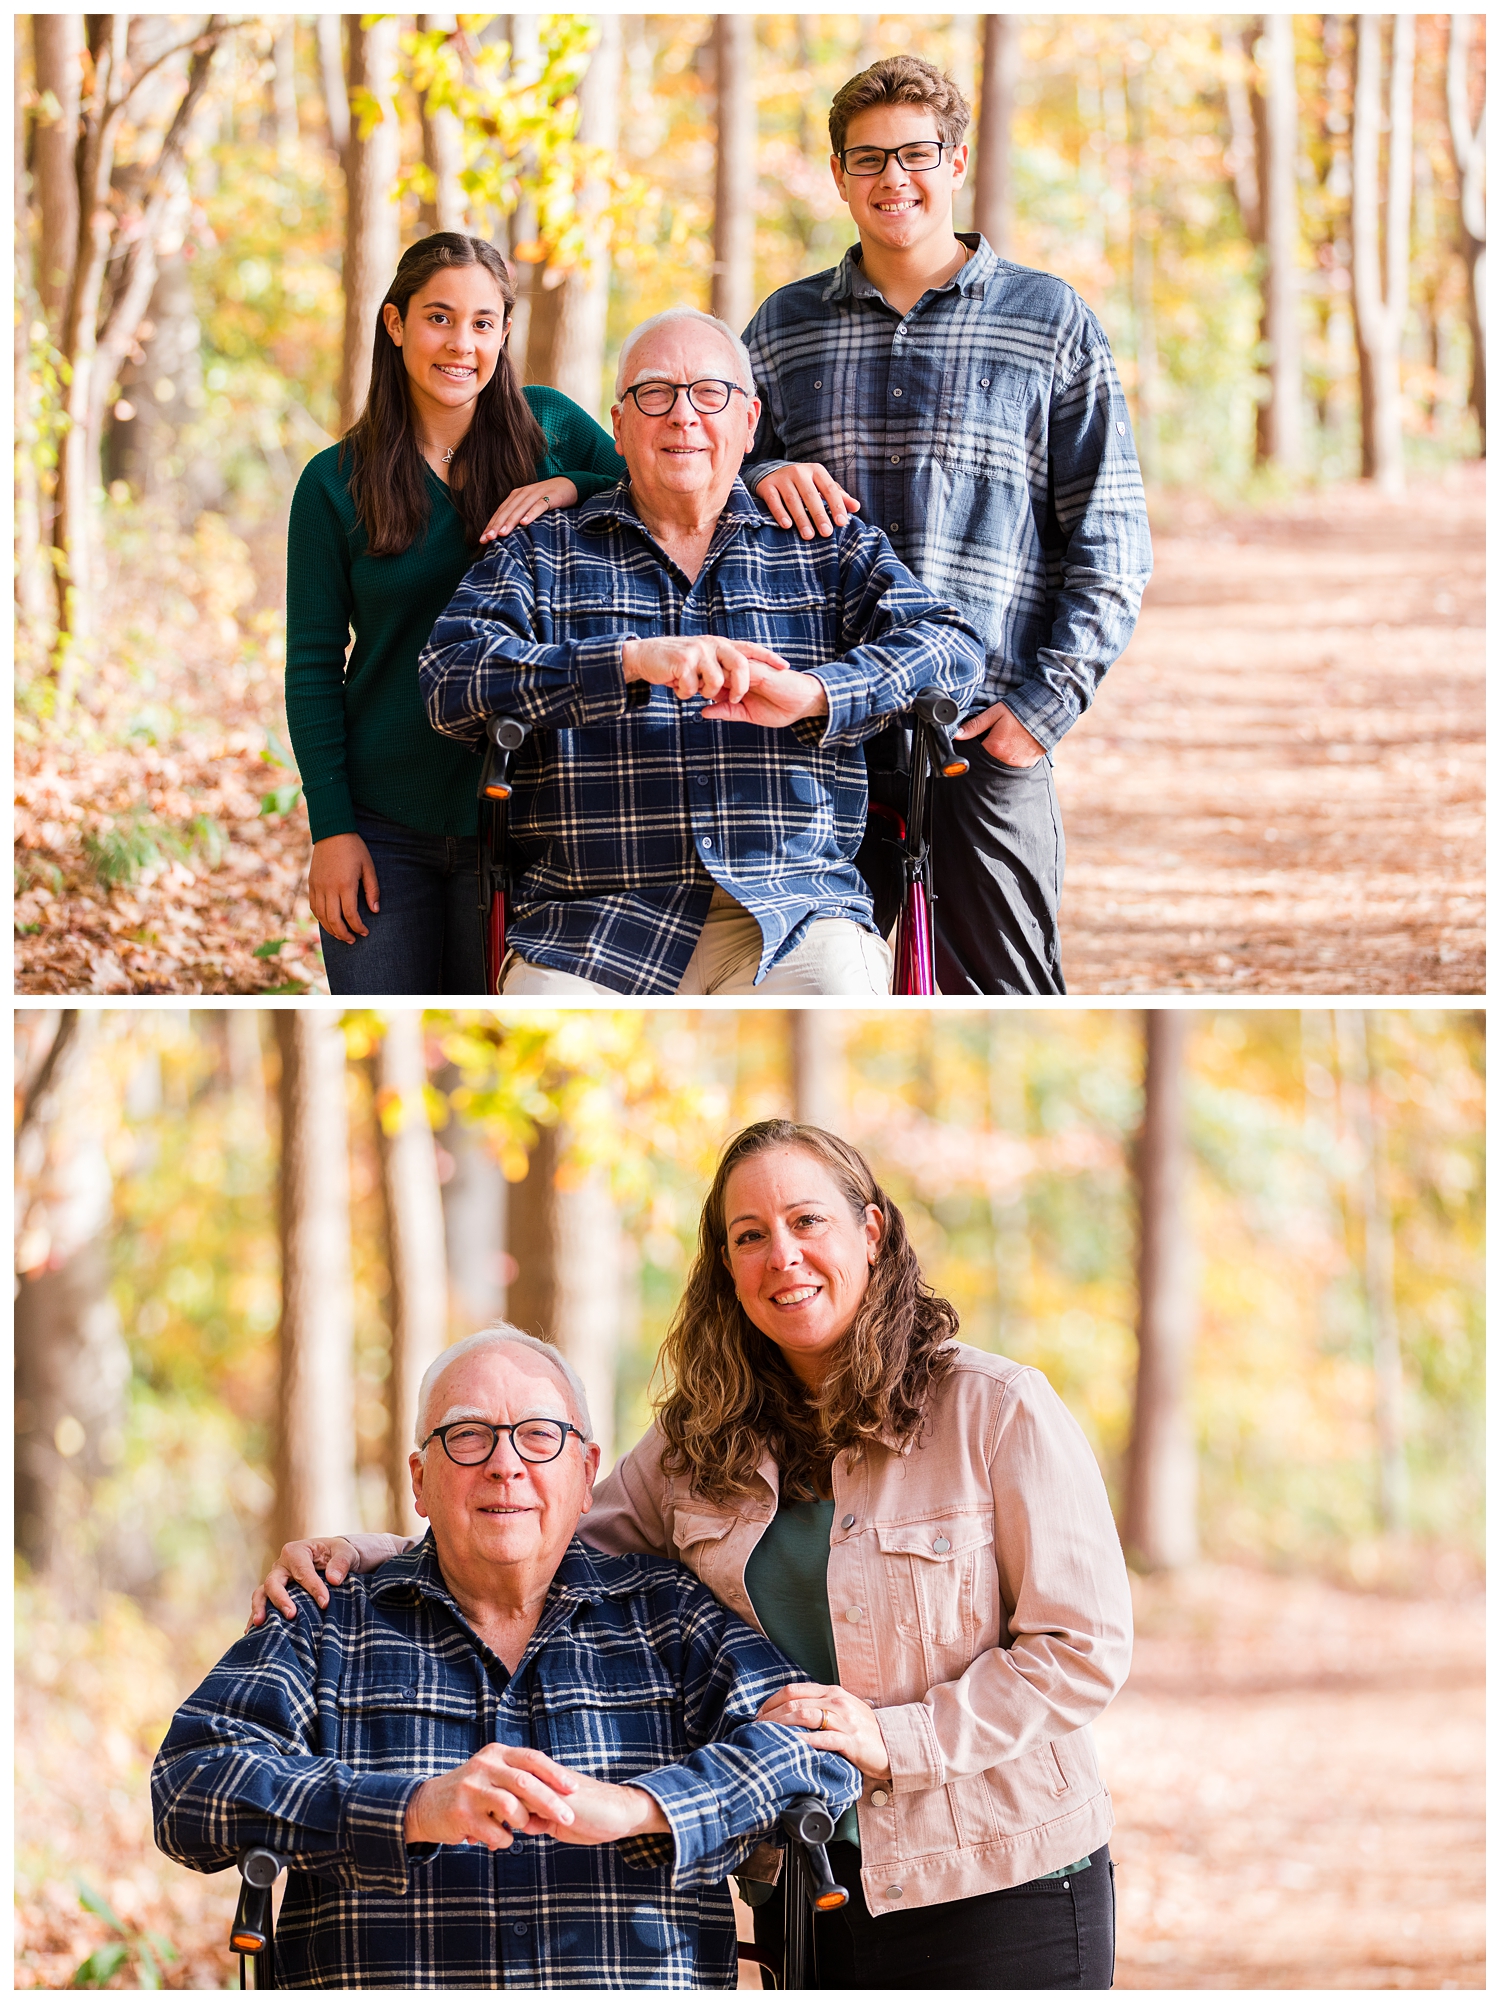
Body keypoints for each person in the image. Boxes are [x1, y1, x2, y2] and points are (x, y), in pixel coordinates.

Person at [252, 1122, 1134, 1989]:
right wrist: (378, 1554)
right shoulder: (695, 1444)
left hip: (999, 1875)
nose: (780, 1255)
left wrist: (891, 1736)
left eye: (807, 1222)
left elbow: (1082, 1649)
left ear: (871, 1232)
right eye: (748, 1237)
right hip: (810, 1884)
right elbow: (546, 1535)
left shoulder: (995, 1411)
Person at [153, 1329, 857, 1990]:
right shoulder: (325, 1622)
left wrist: (643, 1807)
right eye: (468, 1437)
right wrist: (410, 1810)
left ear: (586, 1475)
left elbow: (823, 1750)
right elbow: (188, 1785)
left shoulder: (667, 1618)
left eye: (539, 1436)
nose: (505, 1464)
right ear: (419, 1481)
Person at [417, 307, 984, 995]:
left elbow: (952, 645)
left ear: (748, 422)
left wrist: (821, 694)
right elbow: (450, 676)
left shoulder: (826, 545)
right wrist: (625, 663)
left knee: (842, 996)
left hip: (793, 912)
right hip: (591, 925)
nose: (683, 416)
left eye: (709, 393)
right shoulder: (542, 550)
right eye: (654, 393)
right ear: (619, 427)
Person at [740, 56, 1155, 995]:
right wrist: (766, 468)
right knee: (818, 992)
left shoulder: (1048, 319)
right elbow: (704, 475)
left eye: (916, 153)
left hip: (982, 726)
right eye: (868, 159)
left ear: (956, 160)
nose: (894, 179)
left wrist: (1045, 710)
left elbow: (1113, 537)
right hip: (823, 739)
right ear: (840, 176)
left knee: (1004, 1000)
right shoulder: (783, 326)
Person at [285, 232, 625, 995]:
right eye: (439, 318)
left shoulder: (552, 429)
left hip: (528, 817)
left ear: (505, 333)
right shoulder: (332, 483)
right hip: (383, 824)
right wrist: (332, 829)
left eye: (482, 322)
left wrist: (572, 485)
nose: (461, 344)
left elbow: (664, 491)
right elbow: (311, 667)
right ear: (396, 323)